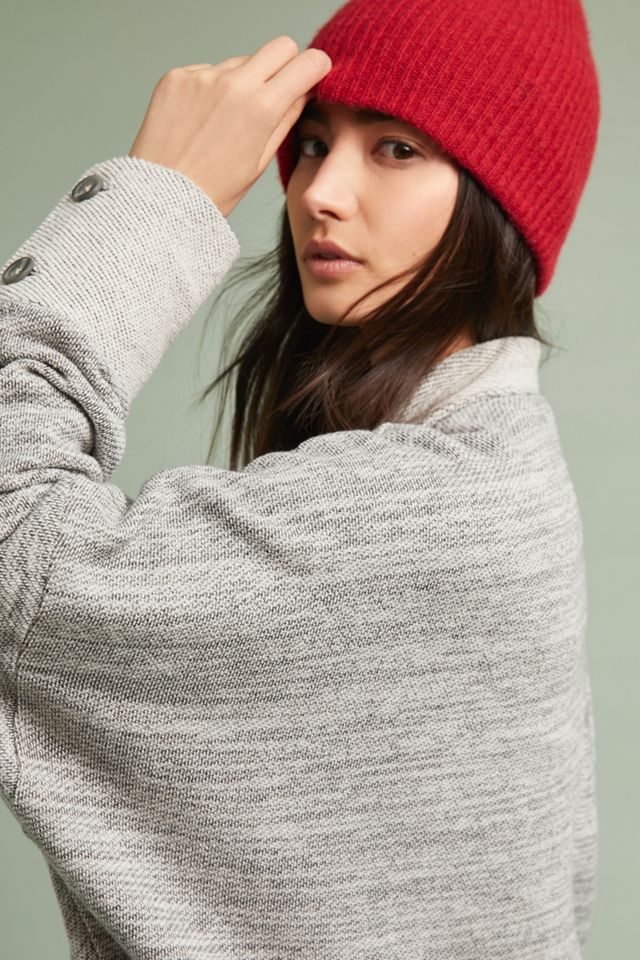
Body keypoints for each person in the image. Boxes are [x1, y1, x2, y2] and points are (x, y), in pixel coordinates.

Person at [0, 1, 601, 958]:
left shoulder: (432, 508)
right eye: (313, 142)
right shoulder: (494, 472)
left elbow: (17, 548)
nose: (320, 191)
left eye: (397, 148)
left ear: (500, 206)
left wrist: (157, 195)